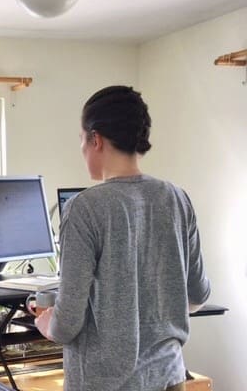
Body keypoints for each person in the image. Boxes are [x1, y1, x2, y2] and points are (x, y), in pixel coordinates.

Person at [35, 85, 211, 391]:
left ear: (96, 139)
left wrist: (46, 322)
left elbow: (67, 326)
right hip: (169, 377)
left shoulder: (84, 208)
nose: (81, 150)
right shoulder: (177, 198)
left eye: (81, 140)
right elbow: (197, 295)